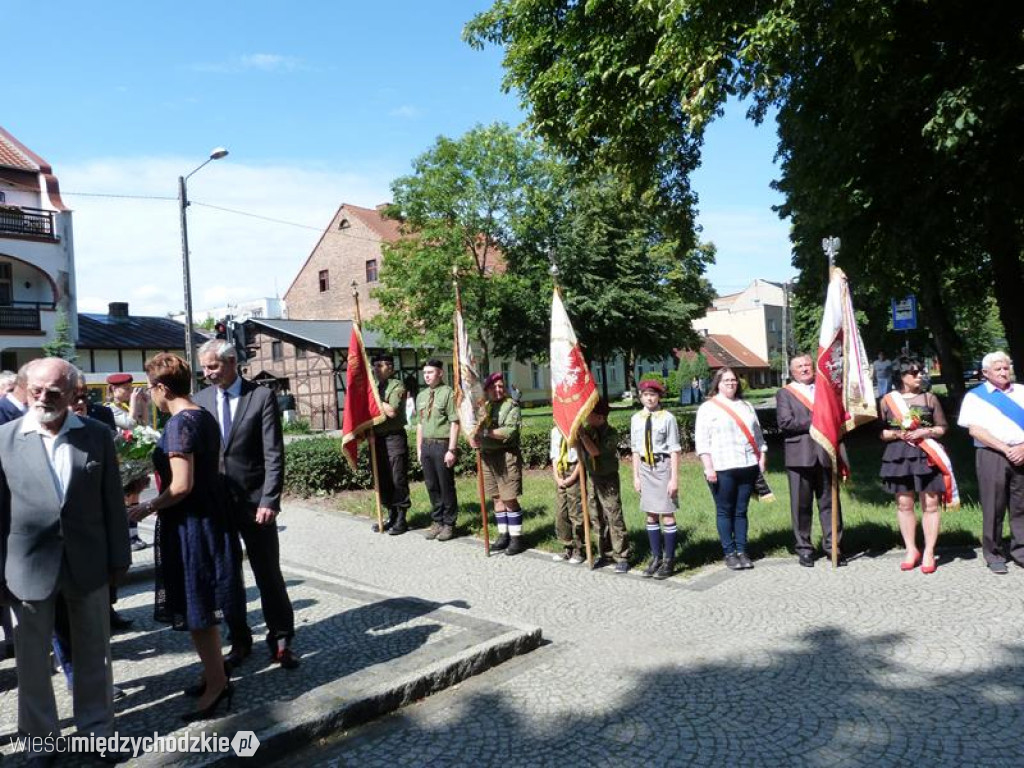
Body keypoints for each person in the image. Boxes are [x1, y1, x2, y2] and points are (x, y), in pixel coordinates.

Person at [0, 357, 131, 762]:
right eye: (36, 390)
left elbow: (112, 500)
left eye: (54, 391)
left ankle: (98, 732)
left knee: (95, 654)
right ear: (25, 388)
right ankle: (40, 739)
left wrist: (118, 559)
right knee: (32, 663)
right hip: (25, 567)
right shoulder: (3, 439)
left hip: (88, 563)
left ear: (74, 391)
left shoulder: (96, 435)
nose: (44, 398)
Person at [127, 353, 243, 721]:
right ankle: (215, 674)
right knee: (202, 607)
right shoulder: (203, 414)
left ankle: (217, 685)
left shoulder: (179, 424)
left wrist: (144, 508)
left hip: (192, 524)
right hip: (210, 518)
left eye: (150, 389)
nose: (151, 396)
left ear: (162, 388)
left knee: (198, 609)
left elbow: (180, 486)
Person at [195, 339, 298, 669]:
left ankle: (281, 639)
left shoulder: (260, 396)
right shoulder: (201, 401)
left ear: (230, 362)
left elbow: (273, 454)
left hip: (256, 503)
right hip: (218, 505)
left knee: (268, 573)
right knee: (227, 578)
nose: (208, 373)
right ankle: (239, 640)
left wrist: (270, 499)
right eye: (204, 368)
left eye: (212, 366)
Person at [878, 356, 953, 574]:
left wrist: (926, 431)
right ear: (902, 377)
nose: (920, 376)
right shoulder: (886, 401)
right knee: (904, 504)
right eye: (914, 372)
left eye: (921, 371)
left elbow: (942, 428)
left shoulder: (929, 399)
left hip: (926, 455)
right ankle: (911, 549)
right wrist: (896, 434)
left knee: (930, 504)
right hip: (898, 455)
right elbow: (880, 432)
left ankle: (929, 551)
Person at [956, 351, 1024, 575]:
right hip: (991, 454)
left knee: (1021, 505)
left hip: (1022, 452)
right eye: (998, 369)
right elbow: (975, 430)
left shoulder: (1022, 392)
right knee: (993, 506)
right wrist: (1005, 448)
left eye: (1006, 368)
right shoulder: (975, 397)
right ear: (985, 373)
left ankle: (1021, 551)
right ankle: (993, 554)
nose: (1004, 372)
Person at [776, 354, 844, 567]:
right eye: (799, 366)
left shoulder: (826, 390)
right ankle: (804, 549)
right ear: (792, 371)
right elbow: (786, 422)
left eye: (807, 364)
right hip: (799, 457)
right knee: (801, 506)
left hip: (826, 453)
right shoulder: (785, 394)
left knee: (830, 504)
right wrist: (818, 420)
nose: (805, 369)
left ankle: (833, 547)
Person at [696, 367, 766, 571]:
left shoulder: (746, 406)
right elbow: (702, 441)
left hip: (747, 465)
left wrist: (762, 456)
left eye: (733, 380)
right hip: (721, 467)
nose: (730, 383)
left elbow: (758, 435)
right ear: (717, 383)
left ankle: (742, 550)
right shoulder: (708, 408)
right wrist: (708, 467)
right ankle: (729, 552)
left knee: (741, 511)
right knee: (725, 511)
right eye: (726, 380)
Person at [630, 379, 682, 579]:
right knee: (651, 514)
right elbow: (635, 450)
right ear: (641, 397)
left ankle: (669, 559)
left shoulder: (668, 418)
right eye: (646, 395)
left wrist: (674, 479)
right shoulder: (636, 418)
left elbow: (675, 450)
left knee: (667, 513)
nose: (649, 398)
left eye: (653, 394)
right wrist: (635, 476)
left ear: (659, 396)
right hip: (645, 468)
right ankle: (656, 557)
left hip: (663, 467)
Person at [472, 372, 525, 555]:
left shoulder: (511, 406)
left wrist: (486, 433)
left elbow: (508, 432)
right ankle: (504, 535)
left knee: (509, 497)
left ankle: (516, 538)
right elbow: (475, 429)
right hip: (487, 457)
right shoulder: (484, 407)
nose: (498, 390)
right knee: (496, 498)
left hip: (505, 456)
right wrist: (474, 437)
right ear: (487, 390)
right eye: (494, 387)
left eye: (501, 386)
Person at [580, 398, 630, 573]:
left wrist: (582, 436)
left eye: (590, 414)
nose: (586, 417)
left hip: (607, 479)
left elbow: (595, 451)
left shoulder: (611, 433)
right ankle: (605, 552)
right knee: (596, 516)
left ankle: (621, 555)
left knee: (613, 515)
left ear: (600, 417)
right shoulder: (588, 430)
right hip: (592, 477)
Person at [105, 372, 150, 552]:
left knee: (134, 497)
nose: (129, 392)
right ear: (114, 390)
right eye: (126, 389)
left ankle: (134, 534)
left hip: (134, 458)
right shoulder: (109, 408)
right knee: (124, 498)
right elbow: (130, 424)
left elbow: (143, 424)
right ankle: (125, 536)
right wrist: (133, 401)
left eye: (130, 388)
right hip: (120, 460)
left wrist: (144, 405)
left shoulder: (125, 405)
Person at [416, 359, 460, 541]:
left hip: (442, 444)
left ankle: (449, 524)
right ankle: (437, 521)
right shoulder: (421, 396)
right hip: (426, 445)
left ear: (440, 373)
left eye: (431, 372)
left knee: (445, 485)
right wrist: (419, 449)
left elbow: (455, 422)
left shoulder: (448, 393)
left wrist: (452, 449)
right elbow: (419, 424)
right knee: (432, 485)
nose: (427, 376)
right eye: (425, 373)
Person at [370, 353, 411, 535]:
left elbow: (392, 411)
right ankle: (391, 514)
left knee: (397, 478)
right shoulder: (376, 387)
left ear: (391, 368)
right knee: (383, 478)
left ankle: (402, 518)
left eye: (381, 365)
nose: (376, 369)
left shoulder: (397, 386)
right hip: (377, 439)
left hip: (394, 438)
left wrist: (373, 398)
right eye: (375, 366)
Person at [550, 424, 584, 564]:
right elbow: (553, 456)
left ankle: (579, 549)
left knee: (575, 511)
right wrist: (557, 477)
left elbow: (582, 458)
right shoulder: (554, 431)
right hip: (560, 470)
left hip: (574, 470)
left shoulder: (577, 430)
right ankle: (567, 545)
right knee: (561, 512)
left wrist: (573, 476)